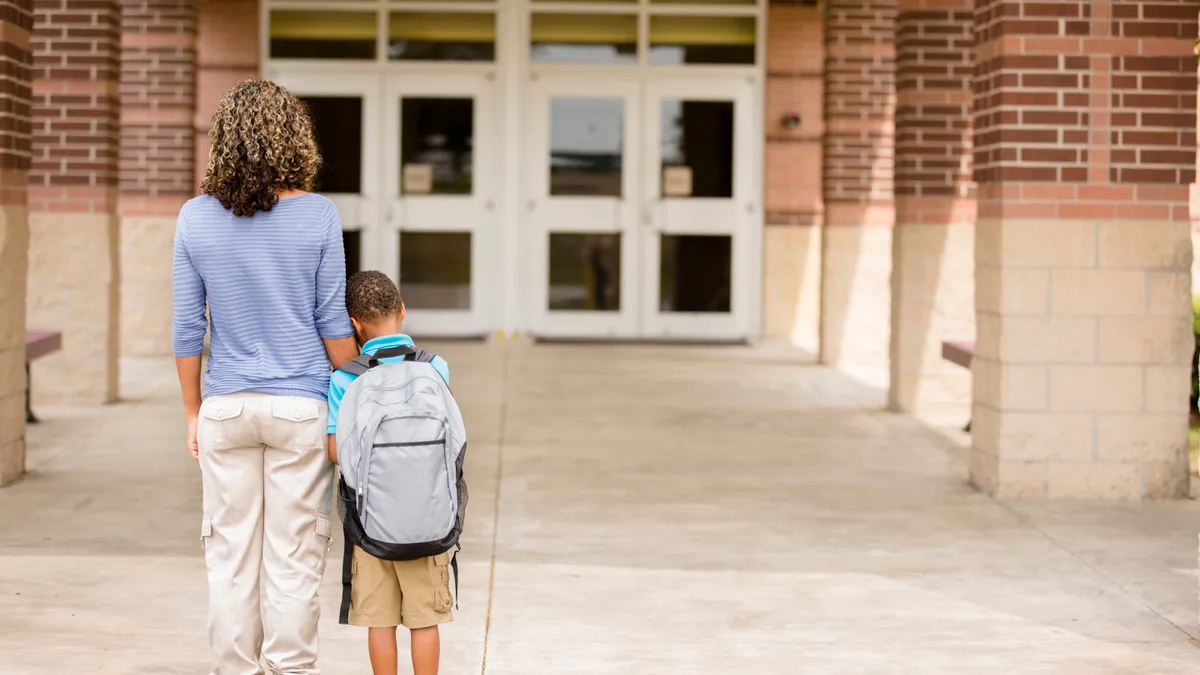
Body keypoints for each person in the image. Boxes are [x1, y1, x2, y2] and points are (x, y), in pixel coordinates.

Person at [172, 79, 359, 675]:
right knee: (295, 558)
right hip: (300, 408)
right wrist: (361, 384)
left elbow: (185, 329)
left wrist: (192, 412)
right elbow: (332, 323)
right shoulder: (319, 215)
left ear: (223, 139)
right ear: (293, 139)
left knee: (228, 559)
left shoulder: (194, 218)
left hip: (226, 407)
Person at [326, 271, 453, 675]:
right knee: (424, 618)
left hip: (372, 524)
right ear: (402, 310)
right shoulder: (436, 369)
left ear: (354, 324)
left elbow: (336, 451)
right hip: (428, 520)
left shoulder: (346, 377)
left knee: (380, 622)